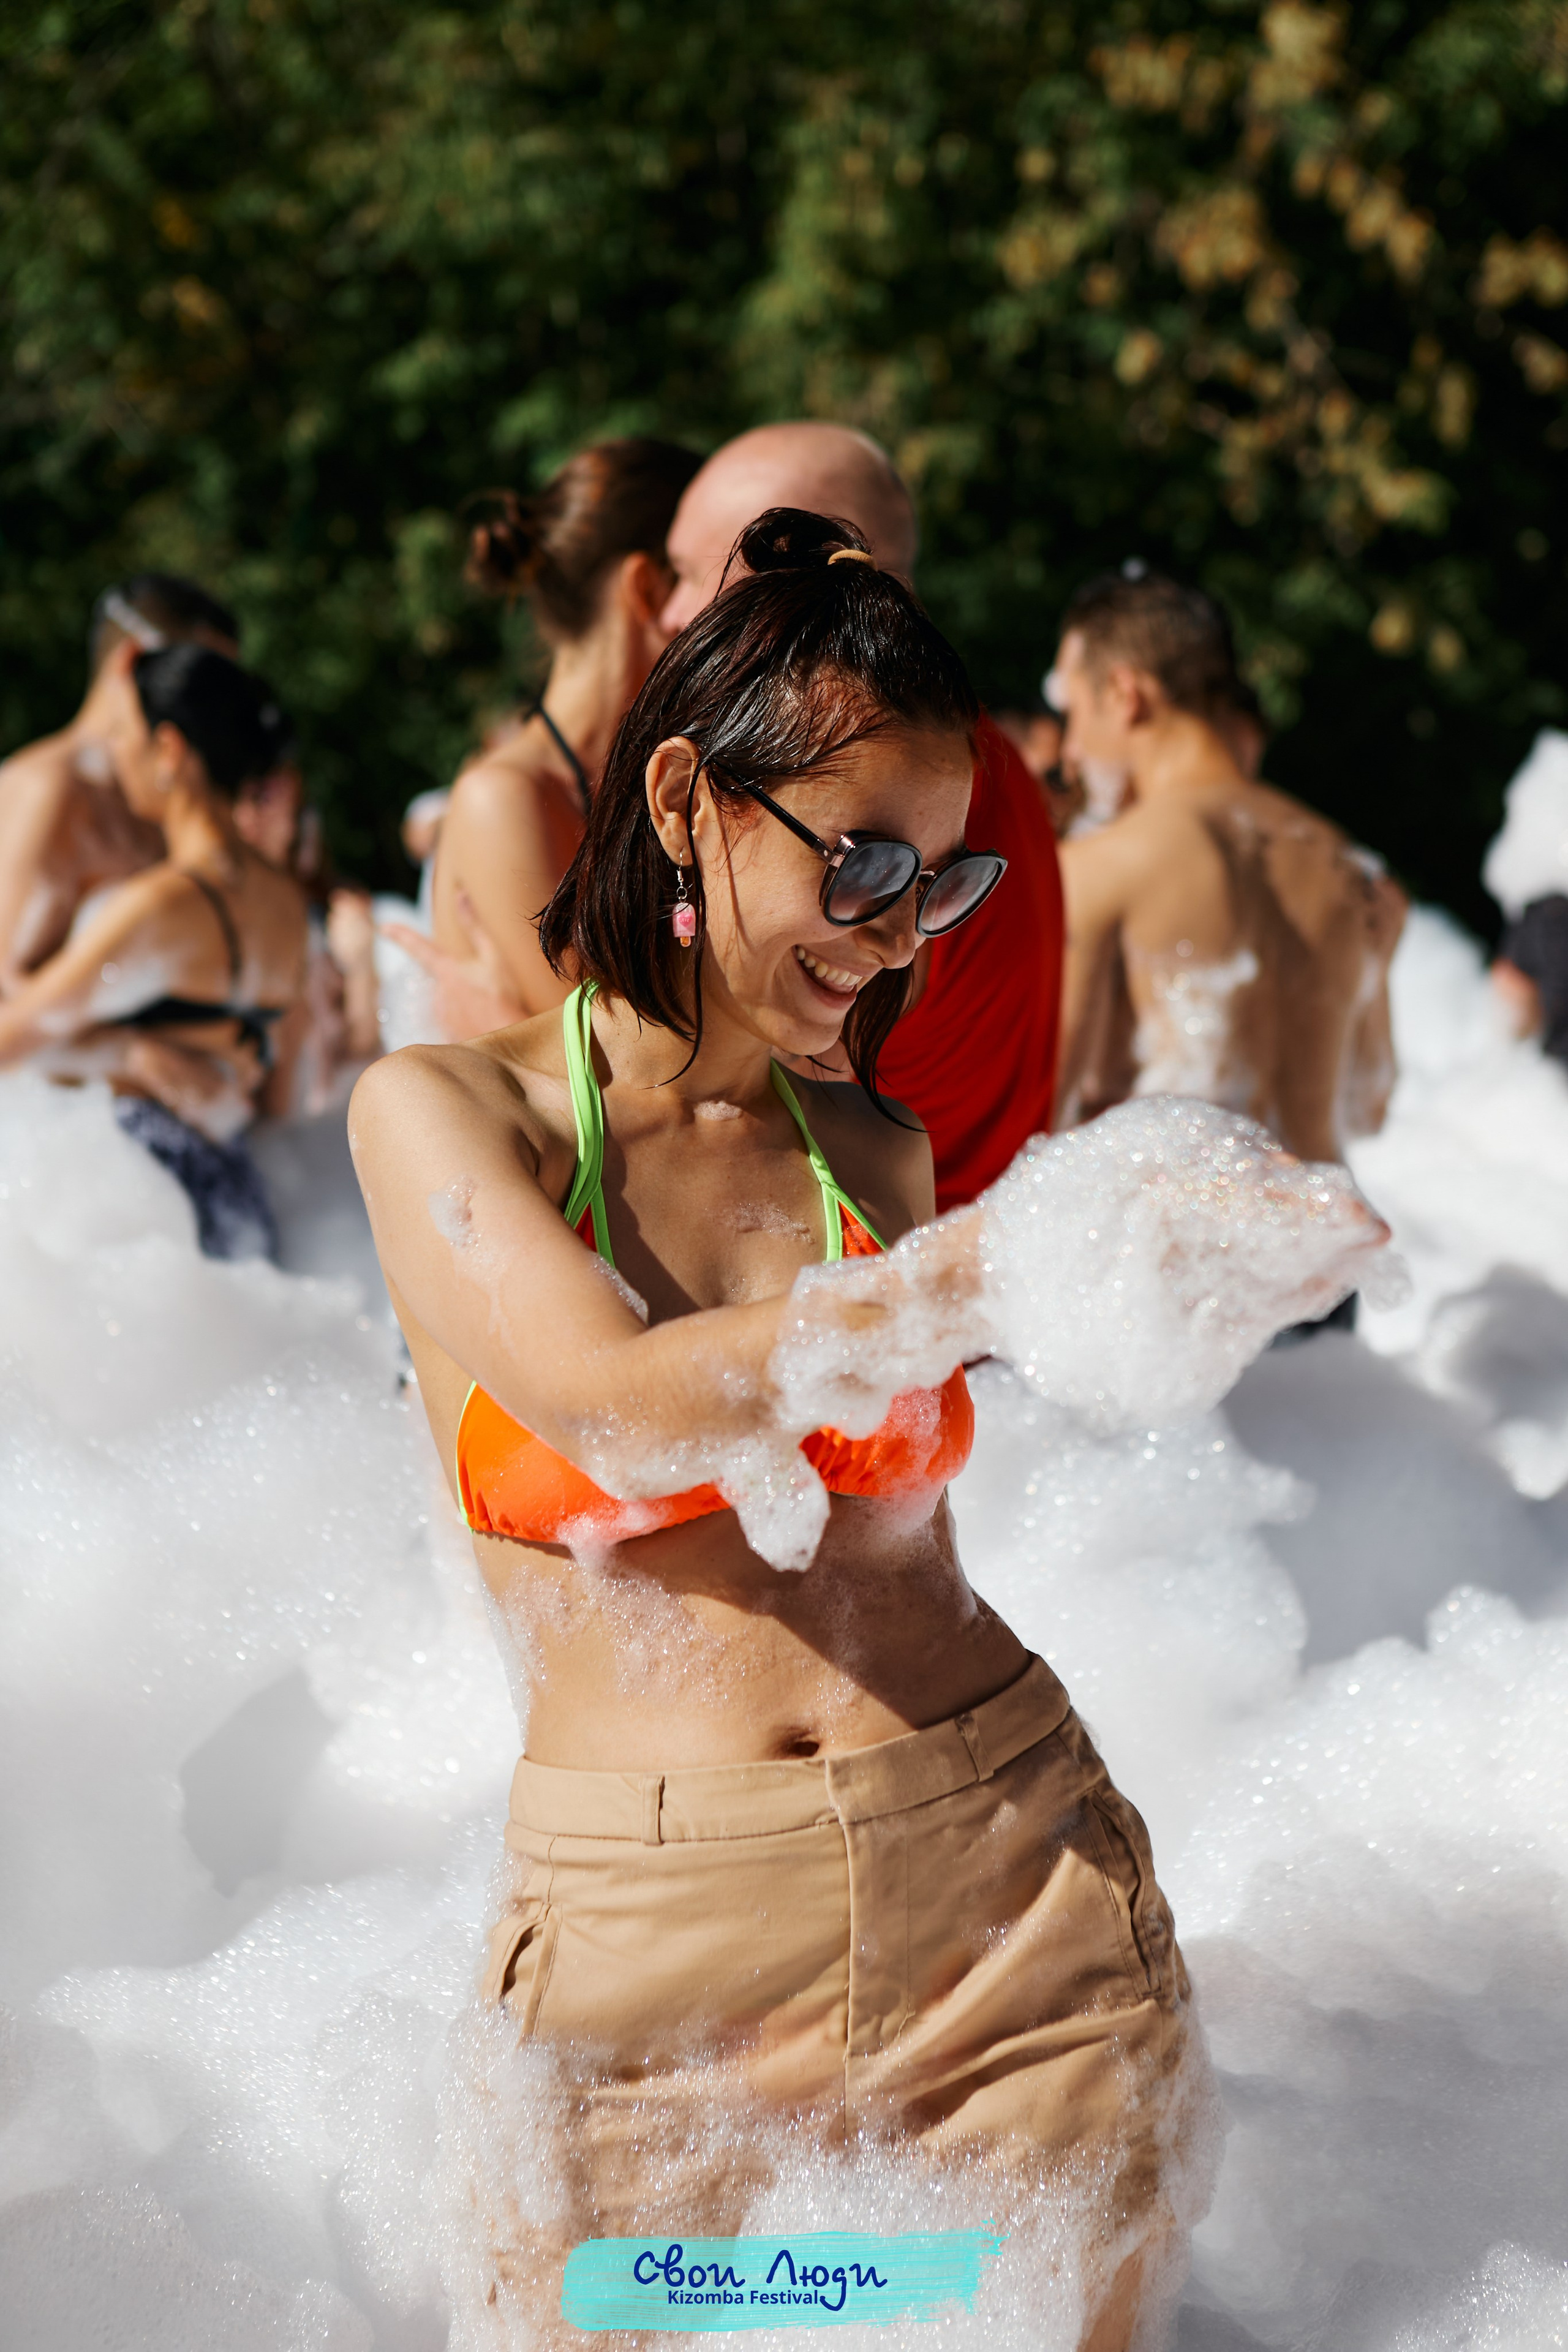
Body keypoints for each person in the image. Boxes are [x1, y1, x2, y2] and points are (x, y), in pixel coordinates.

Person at [350, 511, 1199, 2349]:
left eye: (941, 884)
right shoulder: (446, 1114)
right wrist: (998, 1277)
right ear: (682, 801)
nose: (896, 934)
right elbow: (608, 1400)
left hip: (1005, 1890)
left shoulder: (872, 1151)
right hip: (658, 1952)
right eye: (863, 860)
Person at [658, 422, 1065, 1210]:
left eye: (696, 574)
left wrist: (504, 1016)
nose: (671, 613)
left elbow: (735, 1120)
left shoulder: (893, 782)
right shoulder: (978, 754)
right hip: (952, 1278)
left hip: (869, 1261)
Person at [1052, 568, 1405, 1171]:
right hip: (1328, 1246)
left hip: (1164, 1251)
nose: (1070, 751)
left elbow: (1034, 1122)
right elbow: (1369, 1104)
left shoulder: (1107, 864)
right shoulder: (1342, 864)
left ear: (1124, 694)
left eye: (1074, 712)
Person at [384, 438, 702, 1039]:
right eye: (716, 580)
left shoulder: (659, 775)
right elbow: (618, 1070)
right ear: (649, 590)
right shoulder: (503, 797)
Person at [0, 644, 309, 1259]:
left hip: (137, 1198)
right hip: (237, 1194)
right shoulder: (290, 905)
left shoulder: (161, 906)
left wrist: (132, 1052)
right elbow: (281, 1096)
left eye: (124, 734)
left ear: (169, 750)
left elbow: (10, 1042)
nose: (114, 753)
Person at [0, 574, 242, 991]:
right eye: (201, 682)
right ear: (132, 663)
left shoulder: (165, 801)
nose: (220, 712)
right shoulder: (47, 788)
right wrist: (144, 1053)